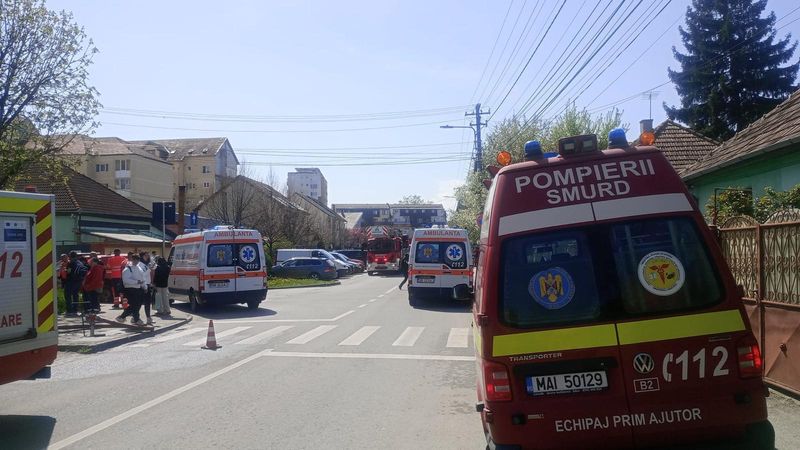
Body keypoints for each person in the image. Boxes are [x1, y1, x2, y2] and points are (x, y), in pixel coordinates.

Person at [116, 254, 146, 326]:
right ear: (132, 260)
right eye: (135, 260)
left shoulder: (139, 268)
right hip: (130, 290)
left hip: (138, 289)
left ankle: (126, 318)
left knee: (137, 305)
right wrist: (136, 282)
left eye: (138, 260)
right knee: (134, 305)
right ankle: (135, 319)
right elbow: (126, 280)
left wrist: (144, 287)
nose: (136, 261)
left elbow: (142, 278)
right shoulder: (127, 269)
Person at [64, 251, 87, 315]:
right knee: (75, 295)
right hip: (78, 282)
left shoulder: (71, 263)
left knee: (68, 295)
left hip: (70, 281)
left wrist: (65, 270)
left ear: (70, 256)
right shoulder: (80, 262)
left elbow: (68, 272)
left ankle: (69, 311)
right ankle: (75, 310)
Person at [138, 252, 154, 325]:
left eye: (148, 255)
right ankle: (135, 317)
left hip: (147, 284)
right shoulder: (140, 265)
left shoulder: (146, 264)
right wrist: (149, 269)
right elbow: (142, 275)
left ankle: (148, 317)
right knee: (140, 302)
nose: (147, 257)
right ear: (142, 256)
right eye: (146, 255)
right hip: (143, 285)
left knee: (147, 302)